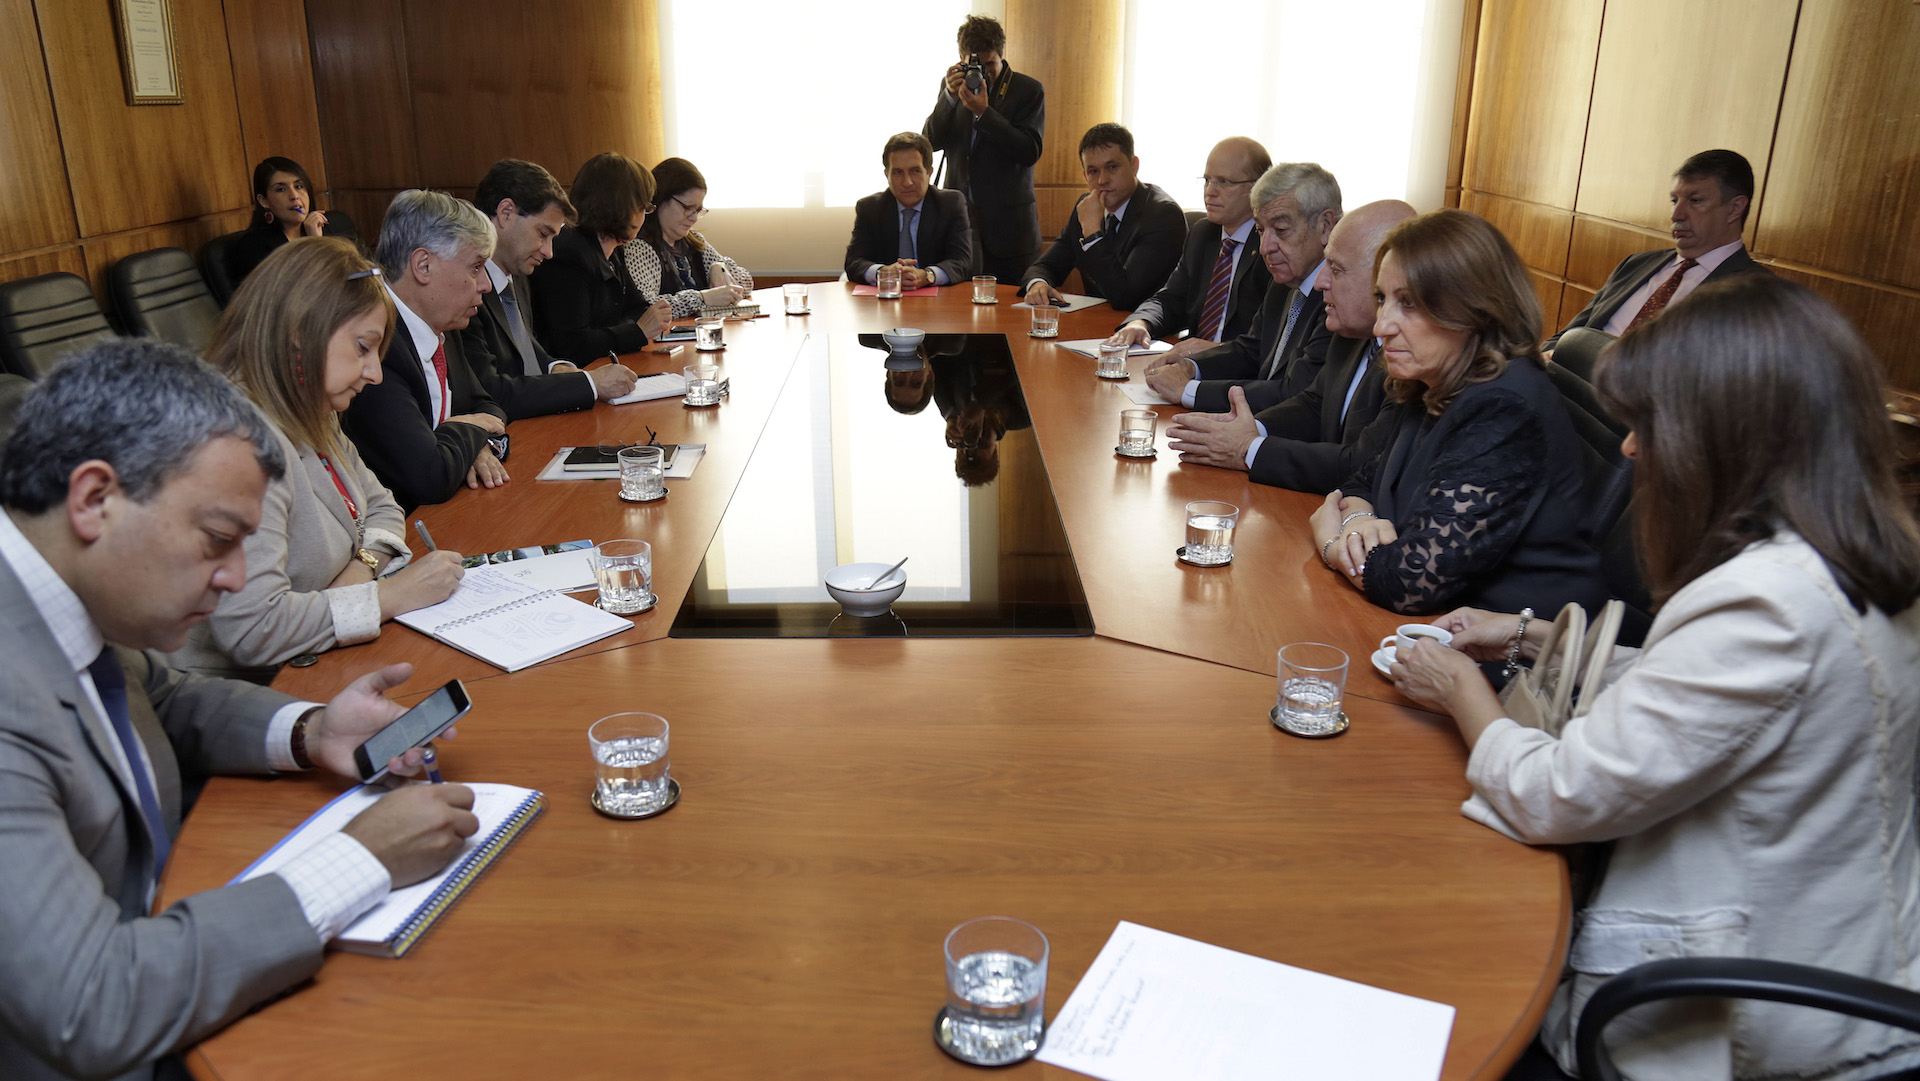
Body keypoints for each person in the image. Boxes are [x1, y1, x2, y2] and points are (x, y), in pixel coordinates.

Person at [1389, 276, 1920, 1081]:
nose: (1631, 449)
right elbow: (1702, 692)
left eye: (1648, 425)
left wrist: (1459, 688)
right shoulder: (1845, 557)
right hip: (1839, 952)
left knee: (1439, 990)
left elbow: (1556, 794)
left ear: (1725, 437)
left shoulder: (1768, 601)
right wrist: (1525, 635)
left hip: (1745, 1022)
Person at [0, 340, 481, 1081]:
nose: (233, 578)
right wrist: (360, 860)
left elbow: (162, 696)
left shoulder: (56, 584)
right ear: (94, 499)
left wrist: (311, 729)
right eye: (218, 540)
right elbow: (93, 1003)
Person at [171, 237, 467, 681]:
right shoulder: (233, 444)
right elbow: (254, 629)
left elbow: (383, 506)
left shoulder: (310, 406)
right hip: (234, 692)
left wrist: (361, 570)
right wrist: (389, 597)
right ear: (300, 333)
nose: (375, 373)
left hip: (312, 661)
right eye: (363, 347)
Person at [1309, 209, 1606, 616]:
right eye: (1382, 299)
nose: (1381, 326)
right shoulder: (1431, 377)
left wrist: (1332, 543)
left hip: (1512, 639)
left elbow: (1410, 582)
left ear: (1473, 309)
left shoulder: (1505, 408)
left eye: (1409, 303)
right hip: (1434, 625)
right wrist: (1358, 521)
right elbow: (1364, 478)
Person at [1165, 200, 1415, 493]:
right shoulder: (1352, 333)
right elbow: (1313, 404)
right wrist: (1250, 429)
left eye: (1335, 269)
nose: (1320, 282)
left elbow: (1361, 465)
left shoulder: (1411, 359)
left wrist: (1249, 449)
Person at [342, 189, 509, 511]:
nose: (485, 285)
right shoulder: (378, 346)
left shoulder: (443, 322)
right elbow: (429, 475)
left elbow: (489, 407)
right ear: (423, 266)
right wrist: (467, 430)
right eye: (475, 267)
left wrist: (473, 443)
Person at [1144, 162, 1341, 410]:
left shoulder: (1339, 298)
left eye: (1281, 230)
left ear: (1325, 226)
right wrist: (1192, 366)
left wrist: (1189, 390)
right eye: (1260, 230)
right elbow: (1252, 350)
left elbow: (1295, 392)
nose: (1265, 247)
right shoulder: (1285, 281)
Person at [1546, 149, 1771, 353]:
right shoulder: (1636, 264)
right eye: (1674, 200)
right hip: (1564, 375)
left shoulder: (1758, 294)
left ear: (1734, 209)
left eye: (1695, 201)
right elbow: (1567, 336)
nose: (1676, 215)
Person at [463, 159, 637, 420]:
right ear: (506, 213)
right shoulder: (464, 288)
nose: (549, 252)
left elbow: (524, 347)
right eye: (543, 234)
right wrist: (589, 383)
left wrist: (556, 367)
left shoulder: (517, 274)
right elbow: (490, 390)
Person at [1111, 137, 1273, 358]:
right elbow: (1171, 298)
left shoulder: (1271, 246)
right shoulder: (1203, 234)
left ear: (1259, 187)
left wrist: (1220, 351)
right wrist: (1141, 322)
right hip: (1191, 362)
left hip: (1241, 367)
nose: (1210, 191)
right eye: (1207, 180)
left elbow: (1271, 338)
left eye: (1224, 182)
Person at [922, 14, 1044, 286]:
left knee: (1012, 306)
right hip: (960, 223)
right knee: (959, 306)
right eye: (975, 64)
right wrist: (948, 98)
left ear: (1002, 55)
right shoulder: (955, 86)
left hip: (1010, 231)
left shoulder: (1028, 90)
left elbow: (1029, 151)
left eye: (990, 64)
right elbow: (929, 142)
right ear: (961, 59)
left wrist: (985, 113)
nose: (984, 72)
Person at [526, 152, 672, 364]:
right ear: (620, 206)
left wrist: (628, 329)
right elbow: (572, 345)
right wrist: (636, 331)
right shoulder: (568, 253)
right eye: (642, 207)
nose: (643, 216)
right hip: (575, 373)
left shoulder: (614, 249)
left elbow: (639, 309)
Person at [1023, 123, 1186, 312]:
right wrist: (1038, 284)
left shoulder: (1162, 215)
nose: (1102, 180)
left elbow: (1125, 297)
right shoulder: (1086, 207)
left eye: (1112, 167)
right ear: (1085, 175)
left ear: (1134, 166)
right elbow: (1046, 266)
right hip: (1096, 322)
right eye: (1093, 171)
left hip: (1142, 326)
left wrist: (1093, 235)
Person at [845, 132, 976, 290]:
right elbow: (854, 261)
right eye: (898, 172)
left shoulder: (950, 204)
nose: (907, 182)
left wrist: (927, 276)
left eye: (915, 171)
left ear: (929, 172)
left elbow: (962, 261)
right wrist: (884, 272)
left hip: (937, 299)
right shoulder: (870, 208)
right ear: (887, 175)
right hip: (886, 297)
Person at [627, 157, 754, 317]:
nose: (694, 218)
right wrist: (702, 298)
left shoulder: (694, 242)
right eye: (688, 208)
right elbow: (647, 307)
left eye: (698, 210)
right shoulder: (639, 247)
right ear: (660, 199)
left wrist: (719, 267)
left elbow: (746, 282)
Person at [226, 156, 357, 286]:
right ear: (264, 201)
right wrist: (315, 244)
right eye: (281, 189)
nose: (294, 196)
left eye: (299, 186)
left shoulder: (326, 228)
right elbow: (298, 292)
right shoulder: (254, 246)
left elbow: (348, 280)